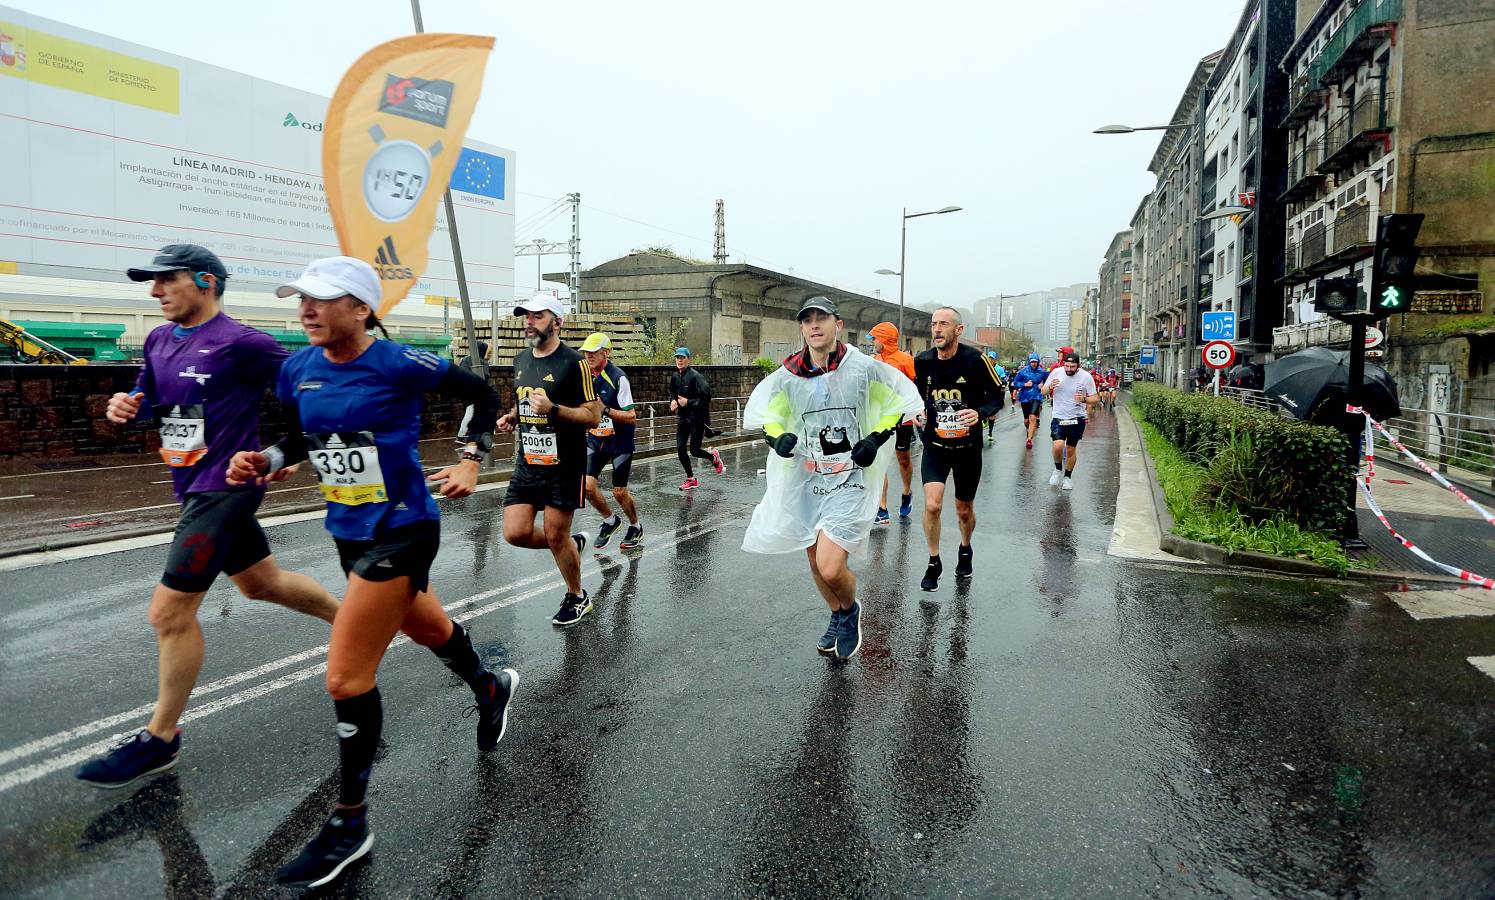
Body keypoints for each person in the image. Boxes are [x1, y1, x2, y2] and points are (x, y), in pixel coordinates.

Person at [225, 256, 516, 889]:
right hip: (346, 529)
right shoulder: (297, 368)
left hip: (406, 528)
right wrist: (268, 458)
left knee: (345, 674)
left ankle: (349, 824)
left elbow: (482, 393)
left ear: (360, 308)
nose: (306, 309)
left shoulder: (396, 361)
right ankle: (489, 687)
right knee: (430, 629)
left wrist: (473, 458)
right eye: (301, 298)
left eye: (322, 299)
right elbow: (299, 436)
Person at [74, 245, 341, 791]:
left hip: (227, 487)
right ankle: (354, 626)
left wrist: (285, 452)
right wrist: (128, 403)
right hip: (189, 483)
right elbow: (151, 391)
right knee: (261, 585)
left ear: (205, 281)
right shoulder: (158, 338)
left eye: (164, 281)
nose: (154, 292)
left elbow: (308, 392)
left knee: (169, 613)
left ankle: (162, 737)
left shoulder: (244, 343)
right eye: (151, 283)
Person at [743, 296, 922, 659]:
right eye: (807, 319)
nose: (814, 325)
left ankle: (851, 609)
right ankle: (837, 614)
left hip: (850, 479)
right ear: (802, 328)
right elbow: (770, 413)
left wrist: (876, 437)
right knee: (813, 560)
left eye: (821, 318)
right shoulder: (790, 373)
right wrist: (777, 437)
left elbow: (897, 401)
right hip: (808, 479)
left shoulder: (862, 368)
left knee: (829, 563)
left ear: (837, 324)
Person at [496, 293, 603, 627]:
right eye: (526, 316)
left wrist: (554, 410)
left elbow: (594, 415)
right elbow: (527, 399)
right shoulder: (520, 360)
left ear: (558, 322)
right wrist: (514, 415)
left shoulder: (575, 364)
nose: (529, 322)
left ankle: (577, 596)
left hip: (564, 465)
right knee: (514, 533)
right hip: (528, 461)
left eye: (537, 316)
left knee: (556, 536)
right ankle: (570, 545)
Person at [914, 307, 1006, 593]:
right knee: (932, 504)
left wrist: (979, 412)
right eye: (934, 324)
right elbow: (916, 396)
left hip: (967, 448)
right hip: (935, 446)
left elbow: (997, 395)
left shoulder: (976, 360)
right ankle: (933, 562)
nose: (937, 329)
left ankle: (965, 548)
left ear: (958, 330)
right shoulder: (923, 361)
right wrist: (916, 412)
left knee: (963, 509)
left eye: (943, 324)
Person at [579, 332, 643, 551]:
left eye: (593, 351)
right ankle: (609, 520)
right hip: (596, 440)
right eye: (586, 351)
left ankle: (635, 526)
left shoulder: (618, 377)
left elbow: (631, 415)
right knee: (585, 486)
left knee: (619, 492)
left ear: (606, 352)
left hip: (619, 442)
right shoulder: (584, 375)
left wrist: (604, 409)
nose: (588, 355)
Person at [868, 321, 918, 525]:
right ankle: (882, 508)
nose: (873, 342)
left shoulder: (905, 360)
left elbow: (915, 388)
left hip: (902, 419)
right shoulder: (873, 360)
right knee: (880, 463)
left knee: (903, 458)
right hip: (880, 418)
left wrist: (915, 411)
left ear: (885, 339)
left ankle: (906, 493)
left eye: (875, 338)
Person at [1042, 350, 1099, 491]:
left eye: (1072, 367)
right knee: (1057, 446)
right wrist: (1050, 387)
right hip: (1059, 416)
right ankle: (1057, 469)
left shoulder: (1086, 377)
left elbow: (1095, 398)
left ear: (1078, 366)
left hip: (1077, 418)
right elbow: (1043, 391)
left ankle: (1067, 477)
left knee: (1070, 449)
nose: (1068, 369)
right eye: (1067, 366)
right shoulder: (1056, 373)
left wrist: (1084, 399)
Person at [670, 346, 723, 490]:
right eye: (677, 358)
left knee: (694, 450)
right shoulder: (675, 377)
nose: (679, 360)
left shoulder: (696, 377)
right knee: (680, 448)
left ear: (688, 359)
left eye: (682, 358)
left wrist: (688, 402)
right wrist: (673, 401)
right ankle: (691, 479)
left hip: (697, 419)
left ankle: (714, 458)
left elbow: (707, 397)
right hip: (683, 419)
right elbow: (673, 392)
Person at [1010, 353, 1048, 450]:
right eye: (1032, 362)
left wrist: (1043, 385)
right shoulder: (1023, 371)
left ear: (1038, 362)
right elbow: (1014, 383)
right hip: (1025, 397)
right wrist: (1024, 384)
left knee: (1033, 418)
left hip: (1036, 396)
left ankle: (1029, 440)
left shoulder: (1042, 372)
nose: (1034, 364)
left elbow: (1048, 382)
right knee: (1026, 420)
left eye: (1035, 362)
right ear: (1029, 362)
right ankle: (1029, 430)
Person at [455, 340, 490, 443]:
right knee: (472, 412)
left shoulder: (465, 359)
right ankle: (461, 436)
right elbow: (485, 377)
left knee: (472, 412)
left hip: (464, 389)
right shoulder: (482, 362)